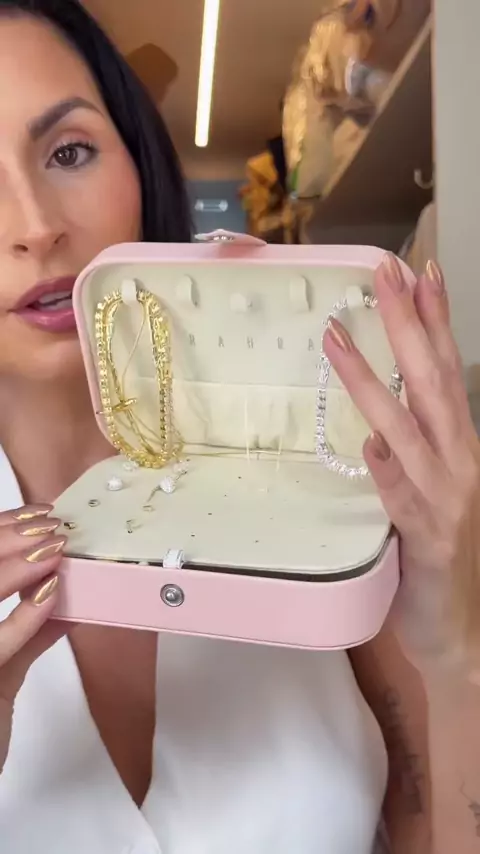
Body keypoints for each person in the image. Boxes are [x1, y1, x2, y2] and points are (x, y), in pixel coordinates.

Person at [0, 2, 478, 853]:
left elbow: (428, 819)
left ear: (137, 160)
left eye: (69, 152)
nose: (35, 226)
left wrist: (457, 647)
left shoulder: (328, 475)